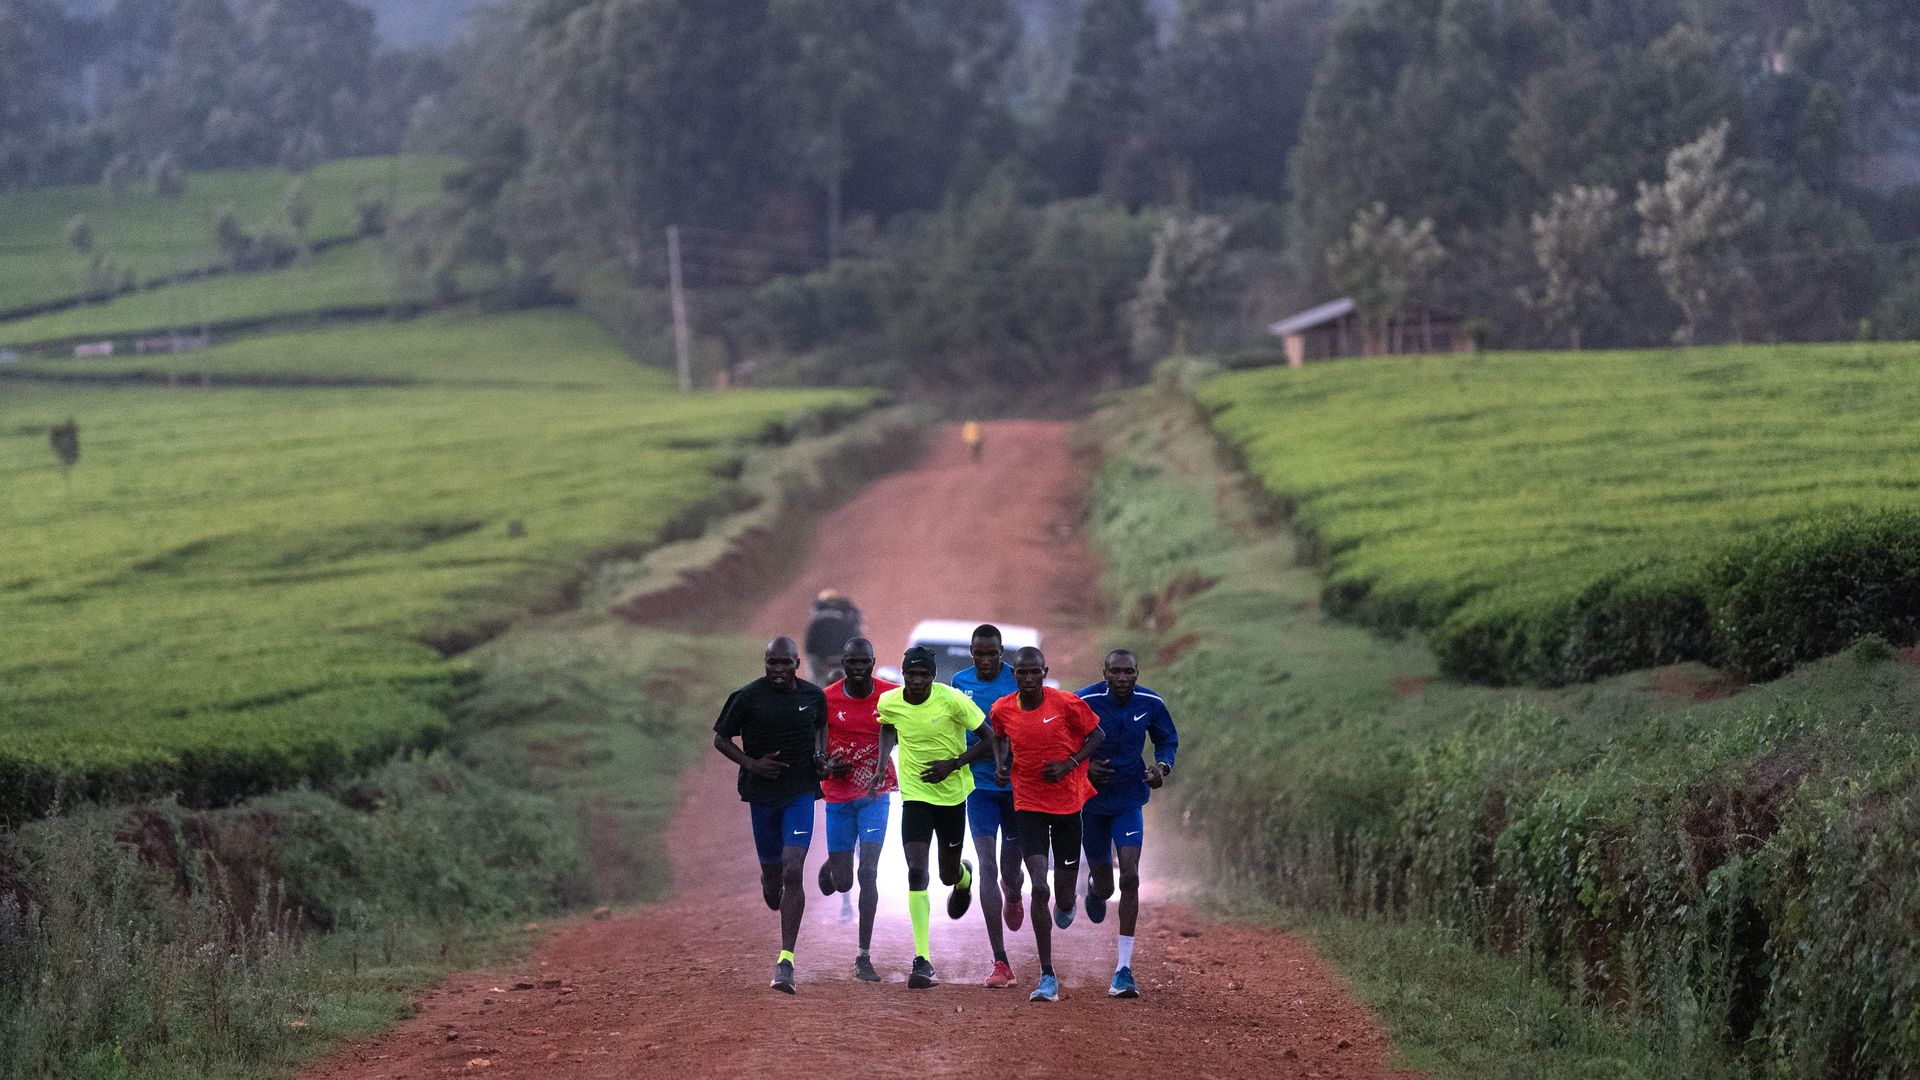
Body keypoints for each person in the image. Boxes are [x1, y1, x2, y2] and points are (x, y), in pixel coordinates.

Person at [874, 644, 997, 989]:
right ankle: (922, 959)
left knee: (944, 874)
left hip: (953, 796)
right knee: (916, 869)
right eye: (911, 674)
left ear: (933, 676)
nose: (916, 680)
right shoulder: (890, 702)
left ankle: (963, 877)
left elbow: (990, 739)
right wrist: (885, 761)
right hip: (915, 795)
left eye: (923, 675)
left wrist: (953, 764)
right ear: (903, 675)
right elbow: (887, 725)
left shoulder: (951, 700)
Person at [712, 637, 829, 994]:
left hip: (799, 793)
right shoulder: (747, 697)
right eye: (771, 663)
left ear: (797, 663)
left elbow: (821, 728)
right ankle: (769, 880)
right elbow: (721, 738)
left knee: (795, 870)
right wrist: (751, 763)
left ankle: (786, 962)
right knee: (774, 880)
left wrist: (821, 757)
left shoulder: (813, 697)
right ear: (765, 662)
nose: (778, 670)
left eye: (785, 663)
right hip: (761, 796)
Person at [988, 646, 1104, 1004]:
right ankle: (1047, 976)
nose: (1027, 678)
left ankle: (1069, 900)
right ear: (1014, 675)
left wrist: (1070, 764)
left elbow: (1097, 736)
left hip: (1068, 804)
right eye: (1021, 673)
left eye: (1033, 672)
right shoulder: (1002, 709)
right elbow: (999, 738)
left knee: (1064, 895)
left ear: (1044, 672)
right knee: (1039, 886)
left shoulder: (1066, 704)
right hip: (1028, 803)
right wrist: (1002, 764)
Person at [1077, 649, 1179, 999]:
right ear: (1104, 672)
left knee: (1131, 876)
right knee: (1106, 887)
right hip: (1091, 803)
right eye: (1115, 672)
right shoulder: (1084, 700)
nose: (1122, 679)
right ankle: (1093, 887)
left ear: (1138, 673)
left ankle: (1123, 969)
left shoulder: (1151, 702)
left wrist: (1161, 767)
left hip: (1130, 800)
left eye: (1129, 672)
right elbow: (1062, 739)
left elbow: (1167, 740)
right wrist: (1083, 767)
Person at [816, 638, 899, 982]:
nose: (858, 668)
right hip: (837, 798)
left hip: (874, 795)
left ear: (873, 662)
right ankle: (833, 867)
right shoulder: (827, 698)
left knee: (868, 872)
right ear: (845, 663)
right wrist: (825, 765)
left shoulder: (890, 695)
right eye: (852, 662)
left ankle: (863, 955)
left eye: (864, 662)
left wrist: (881, 764)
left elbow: (897, 730)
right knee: (843, 881)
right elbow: (817, 749)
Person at [950, 624, 1024, 988]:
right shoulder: (959, 681)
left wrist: (1006, 761)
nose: (984, 660)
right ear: (971, 652)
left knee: (1010, 871)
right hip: (977, 786)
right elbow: (957, 728)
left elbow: (1012, 731)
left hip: (1016, 786)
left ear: (1001, 652)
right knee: (986, 864)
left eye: (991, 653)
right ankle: (1000, 960)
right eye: (978, 653)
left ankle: (1014, 892)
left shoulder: (1017, 680)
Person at [803, 589, 863, 683]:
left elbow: (810, 652)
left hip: (824, 671)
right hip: (845, 669)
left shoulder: (815, 625)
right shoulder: (846, 620)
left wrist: (814, 679)